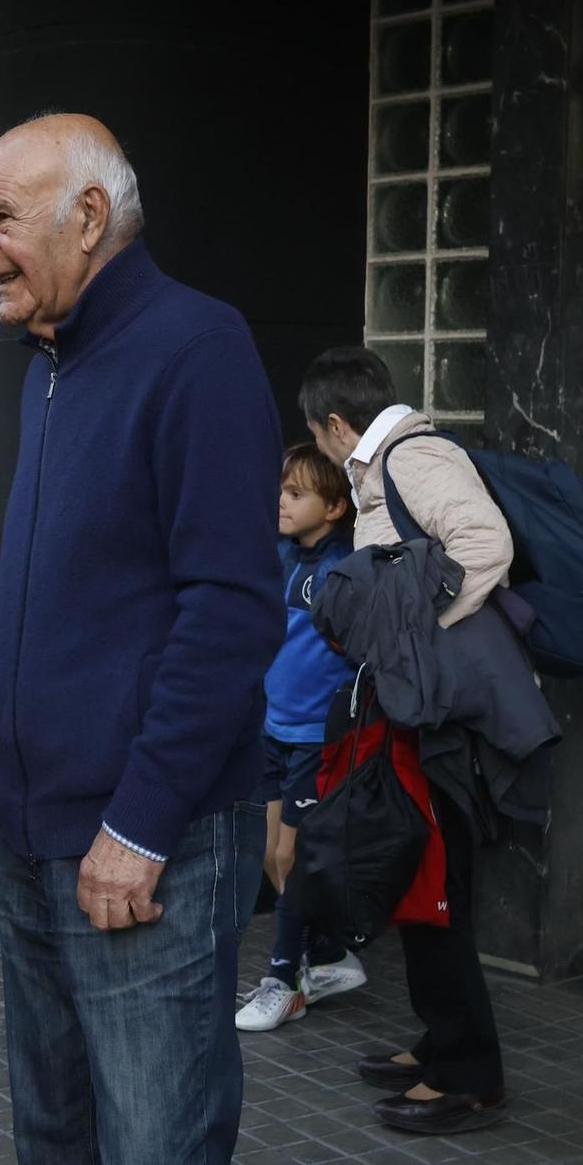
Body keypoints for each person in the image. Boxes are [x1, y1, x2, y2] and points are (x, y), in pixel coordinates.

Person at [0, 113, 284, 1165]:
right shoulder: (41, 353)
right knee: (58, 1164)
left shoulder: (196, 347)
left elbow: (230, 614)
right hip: (31, 831)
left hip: (146, 845)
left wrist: (136, 826)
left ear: (86, 218)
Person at [300, 344, 512, 1132]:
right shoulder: (381, 466)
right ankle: (442, 1040)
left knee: (440, 885)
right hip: (409, 711)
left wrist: (410, 643)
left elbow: (487, 546)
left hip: (440, 721)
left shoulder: (414, 457)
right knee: (421, 881)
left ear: (331, 423)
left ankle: (471, 1073)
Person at [235, 442, 366, 1032]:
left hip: (317, 736)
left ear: (335, 506)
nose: (282, 503)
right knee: (270, 852)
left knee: (292, 853)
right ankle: (333, 956)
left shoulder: (347, 568)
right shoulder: (278, 557)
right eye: (281, 491)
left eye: (297, 494)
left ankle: (284, 980)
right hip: (272, 729)